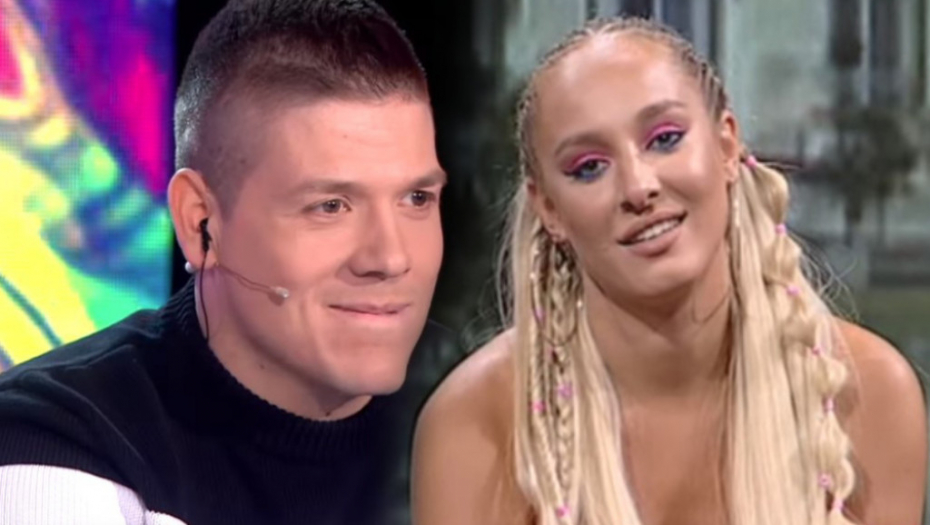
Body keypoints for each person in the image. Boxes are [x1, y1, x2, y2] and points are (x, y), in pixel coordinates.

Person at [412, 17, 928, 525]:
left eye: (664, 138)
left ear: (726, 145)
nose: (639, 187)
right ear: (549, 208)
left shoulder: (867, 395)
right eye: (589, 167)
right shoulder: (474, 426)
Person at [0, 0, 455, 523]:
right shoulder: (55, 437)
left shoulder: (485, 414)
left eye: (416, 199)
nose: (391, 258)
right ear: (201, 223)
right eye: (330, 206)